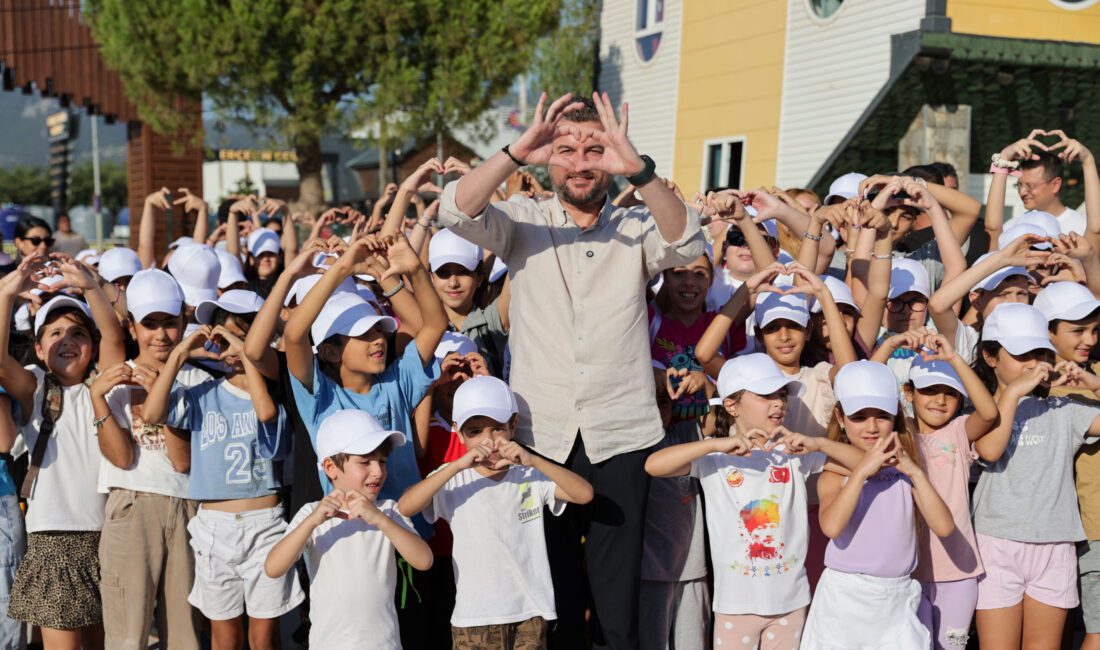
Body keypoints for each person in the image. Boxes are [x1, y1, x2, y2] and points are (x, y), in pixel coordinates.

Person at [436, 91, 704, 648]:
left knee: (617, 608)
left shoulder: (636, 224)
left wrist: (639, 169)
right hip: (541, 434)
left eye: (594, 149)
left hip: (622, 435)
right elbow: (455, 211)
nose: (580, 162)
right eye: (566, 150)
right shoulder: (521, 219)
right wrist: (518, 151)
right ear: (547, 158)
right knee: (553, 598)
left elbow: (687, 242)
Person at [645, 353, 864, 649]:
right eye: (765, 395)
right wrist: (714, 444)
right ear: (731, 405)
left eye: (781, 394)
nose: (778, 403)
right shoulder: (715, 458)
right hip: (735, 606)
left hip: (791, 603)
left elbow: (866, 465)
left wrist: (819, 443)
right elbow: (654, 465)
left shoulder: (794, 454)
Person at [140, 290, 301, 650]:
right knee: (224, 637)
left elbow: (265, 413)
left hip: (264, 523)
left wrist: (247, 353)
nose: (228, 348)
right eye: (222, 338)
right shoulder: (202, 394)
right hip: (214, 525)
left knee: (263, 637)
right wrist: (180, 353)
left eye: (237, 336)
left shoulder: (274, 395)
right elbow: (151, 413)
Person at [398, 376, 594, 650]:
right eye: (475, 431)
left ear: (513, 426)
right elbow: (406, 506)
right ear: (458, 432)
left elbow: (584, 494)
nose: (488, 441)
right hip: (474, 618)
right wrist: (456, 465)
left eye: (497, 428)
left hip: (530, 615)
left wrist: (534, 460)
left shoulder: (530, 474)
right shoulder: (453, 477)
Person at [0, 255, 127, 650]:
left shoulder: (105, 386)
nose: (68, 340)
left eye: (78, 333)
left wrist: (91, 286)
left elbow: (115, 338)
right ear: (38, 349)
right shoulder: (35, 385)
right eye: (55, 333)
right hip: (50, 540)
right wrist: (6, 295)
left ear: (92, 346)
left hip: (108, 538)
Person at [970, 303, 1100, 648]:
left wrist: (1091, 382)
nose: (1032, 363)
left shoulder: (1063, 408)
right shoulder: (978, 409)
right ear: (990, 356)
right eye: (1021, 354)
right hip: (996, 542)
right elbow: (989, 450)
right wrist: (1013, 392)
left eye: (1040, 353)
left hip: (1055, 543)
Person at [800, 361, 955, 648]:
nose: (871, 427)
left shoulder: (905, 473)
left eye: (882, 416)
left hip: (898, 598)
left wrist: (915, 473)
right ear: (840, 417)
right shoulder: (834, 475)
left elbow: (944, 527)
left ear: (895, 416)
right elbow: (831, 527)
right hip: (845, 601)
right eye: (859, 417)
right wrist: (860, 473)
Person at [92, 269, 208, 650]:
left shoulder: (199, 381)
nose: (161, 334)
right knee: (126, 636)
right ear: (132, 327)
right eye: (150, 324)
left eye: (169, 323)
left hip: (186, 507)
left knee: (185, 636)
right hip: (130, 503)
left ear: (184, 322)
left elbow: (182, 461)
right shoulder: (115, 380)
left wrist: (162, 395)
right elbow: (122, 457)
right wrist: (97, 399)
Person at [264, 409, 433, 650]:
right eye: (365, 462)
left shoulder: (388, 510)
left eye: (382, 461)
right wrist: (312, 521)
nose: (377, 471)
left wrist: (380, 519)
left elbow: (424, 560)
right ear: (330, 467)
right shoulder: (312, 513)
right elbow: (273, 568)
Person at [899, 337, 999, 650]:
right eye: (930, 390)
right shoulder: (899, 434)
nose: (940, 400)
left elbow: (989, 412)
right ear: (908, 392)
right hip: (908, 573)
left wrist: (955, 359)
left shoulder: (958, 431)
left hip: (959, 573)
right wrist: (890, 346)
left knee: (952, 647)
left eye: (951, 393)